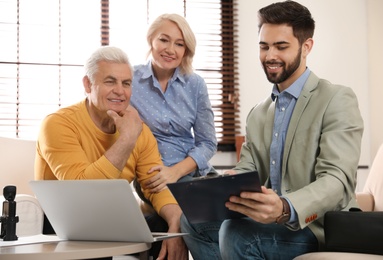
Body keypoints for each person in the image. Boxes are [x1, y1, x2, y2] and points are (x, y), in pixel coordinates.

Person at [180, 1, 364, 259]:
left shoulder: (336, 99)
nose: (270, 56)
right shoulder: (258, 113)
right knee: (190, 222)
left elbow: (337, 181)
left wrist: (286, 207)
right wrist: (227, 182)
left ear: (306, 46)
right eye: (264, 46)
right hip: (271, 222)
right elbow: (248, 168)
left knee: (237, 233)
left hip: (318, 227)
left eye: (281, 46)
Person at [34, 46, 188, 260]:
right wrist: (126, 140)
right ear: (88, 84)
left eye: (126, 83)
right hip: (63, 222)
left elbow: (156, 186)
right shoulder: (58, 124)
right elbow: (82, 192)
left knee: (168, 226)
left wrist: (176, 224)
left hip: (110, 219)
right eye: (110, 81)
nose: (120, 91)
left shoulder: (138, 130)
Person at [130, 13, 218, 194]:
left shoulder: (195, 84)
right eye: (164, 40)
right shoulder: (130, 79)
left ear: (186, 50)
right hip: (153, 174)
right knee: (198, 219)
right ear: (151, 40)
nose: (171, 50)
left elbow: (208, 143)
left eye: (179, 44)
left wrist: (175, 172)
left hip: (192, 172)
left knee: (232, 211)